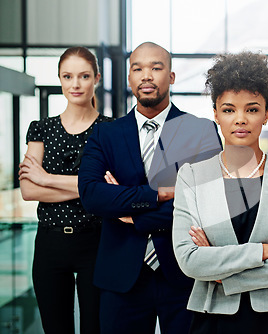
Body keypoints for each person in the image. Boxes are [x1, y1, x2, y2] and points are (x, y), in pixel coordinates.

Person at [78, 42, 221, 334]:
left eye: (156, 68)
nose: (147, 75)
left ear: (171, 76)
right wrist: (160, 194)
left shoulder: (201, 130)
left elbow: (206, 202)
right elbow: (92, 195)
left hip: (185, 272)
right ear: (129, 78)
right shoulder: (106, 134)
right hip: (120, 277)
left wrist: (132, 213)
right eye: (138, 68)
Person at [172, 51, 268, 334]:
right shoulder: (192, 177)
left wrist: (224, 273)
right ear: (215, 114)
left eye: (251, 109)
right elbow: (189, 260)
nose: (240, 119)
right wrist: (262, 251)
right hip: (212, 319)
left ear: (266, 115)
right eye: (228, 109)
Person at [19, 46, 112, 334]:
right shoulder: (41, 129)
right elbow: (27, 190)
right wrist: (89, 187)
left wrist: (45, 178)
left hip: (96, 243)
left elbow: (111, 191)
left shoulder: (111, 130)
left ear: (96, 78)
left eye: (84, 76)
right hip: (50, 244)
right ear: (60, 79)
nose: (75, 84)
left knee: (94, 328)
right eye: (68, 76)